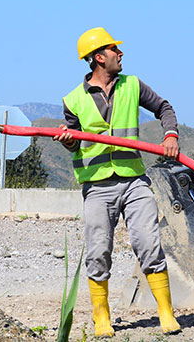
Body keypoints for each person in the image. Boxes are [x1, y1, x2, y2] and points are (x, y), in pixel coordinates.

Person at [53, 27, 182, 336]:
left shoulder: (132, 86)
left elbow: (164, 107)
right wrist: (67, 140)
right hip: (97, 186)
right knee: (98, 251)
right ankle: (102, 318)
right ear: (100, 57)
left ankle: (166, 312)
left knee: (148, 243)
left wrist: (170, 134)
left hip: (134, 181)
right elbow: (73, 143)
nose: (120, 54)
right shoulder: (73, 100)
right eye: (114, 50)